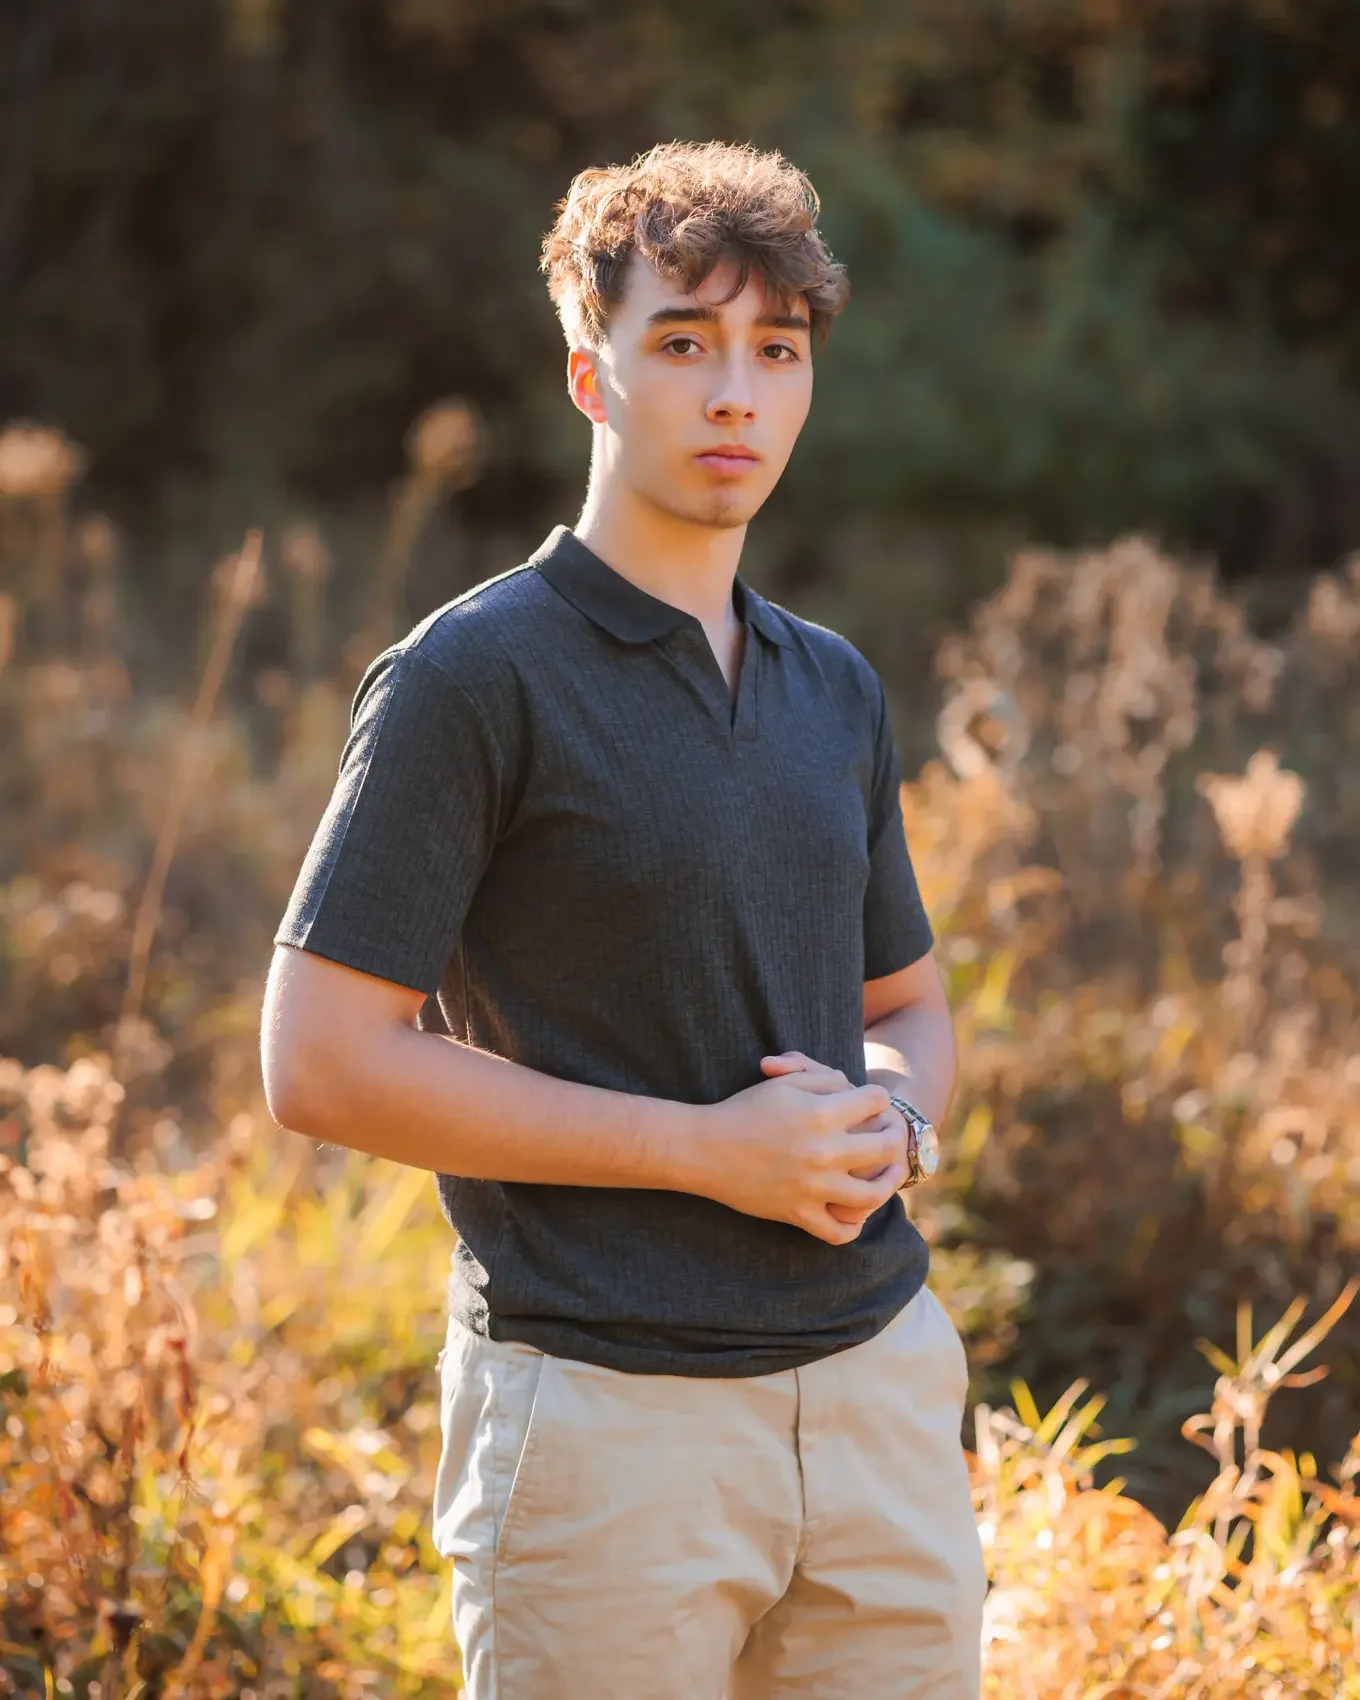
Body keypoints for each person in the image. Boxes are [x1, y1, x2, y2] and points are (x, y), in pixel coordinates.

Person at [261, 138, 987, 1699]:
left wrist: (899, 1119)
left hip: (878, 1400)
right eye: (683, 343)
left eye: (773, 352)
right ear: (590, 377)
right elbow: (317, 1061)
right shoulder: (471, 679)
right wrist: (705, 1149)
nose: (734, 393)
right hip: (605, 1426)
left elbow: (912, 1003)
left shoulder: (832, 686)